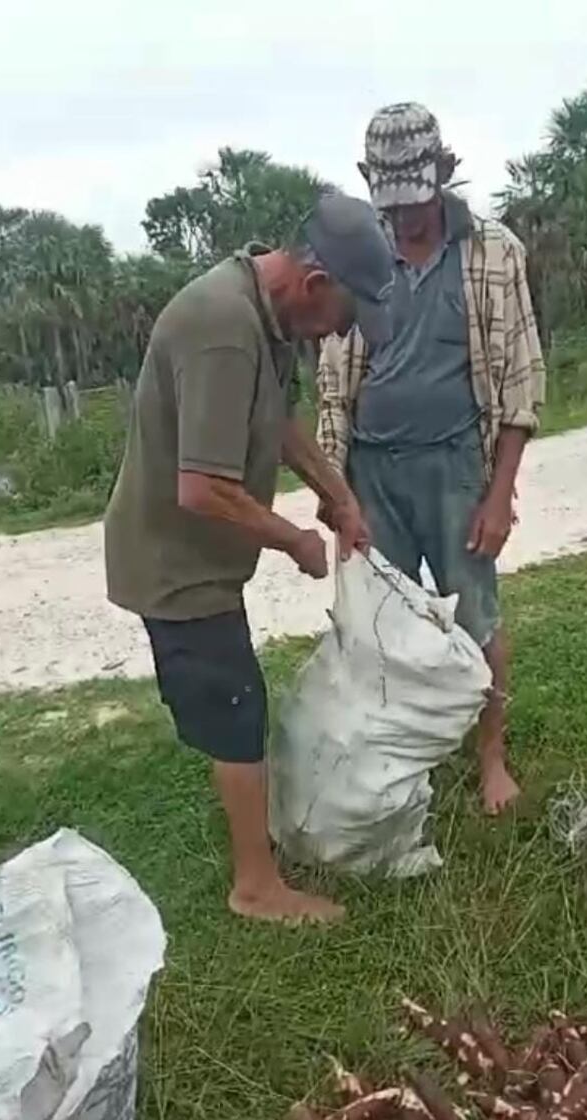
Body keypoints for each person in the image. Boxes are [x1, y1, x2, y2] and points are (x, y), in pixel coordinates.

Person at [105, 192, 394, 923]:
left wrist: (339, 497)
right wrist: (294, 538)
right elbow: (202, 490)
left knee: (234, 700)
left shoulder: (265, 319)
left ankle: (256, 848)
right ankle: (255, 886)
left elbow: (281, 420)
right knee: (235, 705)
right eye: (346, 319)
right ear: (316, 285)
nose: (337, 336)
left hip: (200, 553)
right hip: (174, 559)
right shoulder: (223, 326)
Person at [317, 103, 545, 814]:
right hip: (370, 474)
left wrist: (499, 494)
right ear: (367, 183)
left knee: (475, 617)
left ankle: (492, 760)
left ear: (443, 173)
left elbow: (520, 382)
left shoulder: (495, 252)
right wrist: (335, 489)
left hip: (454, 468)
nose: (406, 219)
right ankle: (393, 769)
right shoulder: (358, 256)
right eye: (391, 202)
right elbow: (330, 381)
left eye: (417, 200)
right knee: (378, 629)